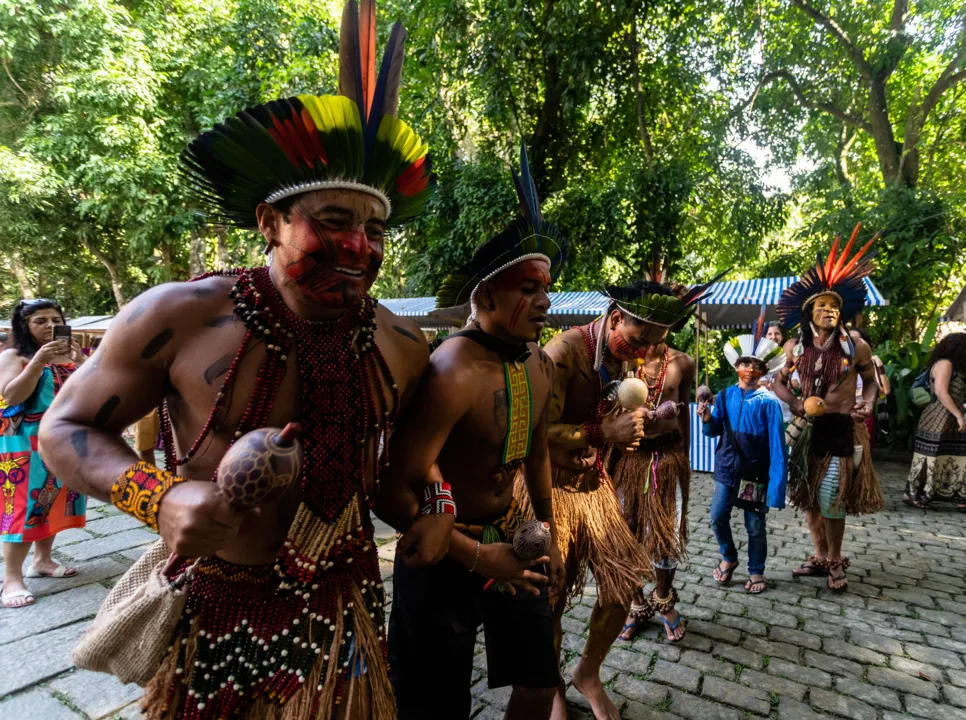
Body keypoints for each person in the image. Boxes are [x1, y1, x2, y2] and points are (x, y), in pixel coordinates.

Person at [39, 2, 445, 717]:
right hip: (214, 604)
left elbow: (411, 463)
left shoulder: (401, 346)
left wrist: (435, 510)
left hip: (340, 603)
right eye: (333, 221)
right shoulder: (181, 316)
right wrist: (156, 498)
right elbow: (63, 429)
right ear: (268, 222)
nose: (360, 248)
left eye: (374, 227)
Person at [385, 144, 566, 720]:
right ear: (487, 294)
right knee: (434, 707)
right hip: (443, 554)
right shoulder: (448, 371)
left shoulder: (538, 362)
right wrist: (473, 556)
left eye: (545, 288)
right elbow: (396, 487)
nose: (544, 301)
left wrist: (551, 529)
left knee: (539, 686)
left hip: (516, 535)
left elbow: (537, 451)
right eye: (528, 289)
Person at [538, 280, 711, 720]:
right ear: (616, 318)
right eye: (637, 340)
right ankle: (552, 686)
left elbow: (611, 417)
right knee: (550, 597)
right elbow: (536, 434)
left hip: (595, 488)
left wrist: (639, 426)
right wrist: (603, 432)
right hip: (550, 489)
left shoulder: (620, 359)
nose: (641, 353)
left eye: (652, 344)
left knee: (622, 586)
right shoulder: (563, 352)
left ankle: (588, 674)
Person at [774, 224, 884, 593]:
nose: (830, 310)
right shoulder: (794, 348)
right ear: (808, 312)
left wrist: (867, 403)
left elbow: (872, 382)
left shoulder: (855, 346)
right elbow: (777, 383)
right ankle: (819, 555)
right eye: (823, 305)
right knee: (807, 495)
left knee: (832, 498)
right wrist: (795, 404)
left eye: (836, 306)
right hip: (806, 430)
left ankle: (835, 559)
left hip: (840, 429)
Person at [610, 285, 695, 643]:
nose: (651, 332)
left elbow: (684, 411)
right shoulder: (621, 363)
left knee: (666, 534)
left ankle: (663, 599)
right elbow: (607, 413)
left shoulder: (683, 363)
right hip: (630, 459)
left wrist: (686, 458)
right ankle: (635, 603)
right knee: (626, 532)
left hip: (668, 458)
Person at [1, 298, 86, 609]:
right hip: (24, 445)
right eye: (41, 320)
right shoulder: (15, 355)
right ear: (24, 326)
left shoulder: (67, 358)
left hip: (62, 441)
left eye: (55, 318)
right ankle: (11, 578)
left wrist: (82, 364)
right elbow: (10, 396)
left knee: (52, 499)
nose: (50, 325)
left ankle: (43, 560)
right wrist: (36, 363)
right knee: (23, 507)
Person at [700, 311, 786, 595]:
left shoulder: (769, 403)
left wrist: (776, 489)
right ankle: (729, 556)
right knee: (716, 517)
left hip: (755, 473)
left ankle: (757, 571)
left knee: (755, 526)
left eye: (757, 365)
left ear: (764, 370)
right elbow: (714, 432)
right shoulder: (724, 396)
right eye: (745, 363)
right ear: (736, 365)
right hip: (726, 468)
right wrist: (707, 418)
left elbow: (777, 447)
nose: (750, 369)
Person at [905, 333, 966, 512]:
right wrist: (959, 415)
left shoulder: (945, 364)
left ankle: (961, 497)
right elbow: (941, 392)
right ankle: (914, 494)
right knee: (934, 456)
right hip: (939, 418)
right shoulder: (945, 364)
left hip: (944, 419)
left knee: (955, 456)